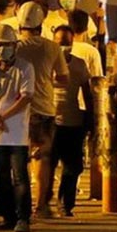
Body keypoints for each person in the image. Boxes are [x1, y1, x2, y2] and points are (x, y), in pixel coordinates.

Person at [15, 2, 69, 219]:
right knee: (43, 159)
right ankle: (41, 206)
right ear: (41, 23)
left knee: (19, 159)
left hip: (17, 110)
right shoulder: (51, 47)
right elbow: (63, 78)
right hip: (44, 109)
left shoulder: (15, 47)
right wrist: (48, 82)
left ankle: (21, 207)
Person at [0, 24, 35, 232]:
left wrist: (3, 116)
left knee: (20, 177)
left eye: (7, 44)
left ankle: (23, 218)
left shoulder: (25, 67)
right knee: (1, 178)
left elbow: (26, 97)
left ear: (15, 45)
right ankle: (7, 216)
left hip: (17, 133)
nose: (3, 48)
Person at [47, 25, 93, 217]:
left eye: (67, 42)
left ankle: (65, 204)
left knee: (73, 167)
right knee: (48, 165)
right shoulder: (46, 64)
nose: (64, 46)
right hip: (50, 122)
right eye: (60, 42)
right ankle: (44, 203)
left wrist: (90, 119)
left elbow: (88, 94)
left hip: (74, 122)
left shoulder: (80, 65)